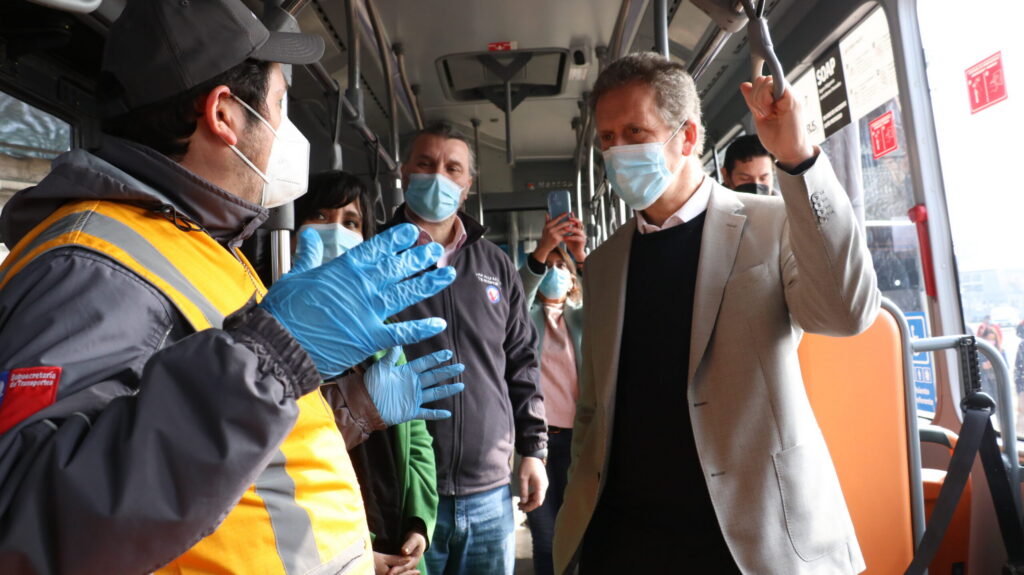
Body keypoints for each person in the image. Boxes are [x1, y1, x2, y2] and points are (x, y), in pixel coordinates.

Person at [0, 3, 463, 573]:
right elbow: (28, 519)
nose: (287, 133)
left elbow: (239, 460)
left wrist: (354, 408)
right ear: (223, 114)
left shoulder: (197, 243)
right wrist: (275, 353)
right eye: (280, 107)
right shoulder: (89, 268)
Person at [553, 52, 880, 574]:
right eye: (608, 139)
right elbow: (594, 407)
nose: (618, 151)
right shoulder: (608, 262)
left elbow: (846, 313)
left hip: (754, 534)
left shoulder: (772, 224)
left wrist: (797, 158)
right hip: (626, 540)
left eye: (635, 132)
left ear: (686, 137)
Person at [381, 121, 549, 575]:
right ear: (404, 172)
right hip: (408, 490)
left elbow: (521, 360)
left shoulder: (495, 263)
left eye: (452, 168)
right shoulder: (375, 257)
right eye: (426, 164)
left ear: (467, 184)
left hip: (490, 491)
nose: (438, 176)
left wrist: (534, 450)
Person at [296, 170, 443, 575]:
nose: (335, 232)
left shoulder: (381, 330)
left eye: (350, 222)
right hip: (330, 553)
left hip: (394, 539)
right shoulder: (271, 323)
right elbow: (285, 461)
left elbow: (415, 437)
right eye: (320, 216)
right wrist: (357, 557)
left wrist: (418, 524)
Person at [518, 213, 586, 575]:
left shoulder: (582, 318)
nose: (555, 272)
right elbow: (516, 296)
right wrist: (542, 251)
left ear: (573, 278)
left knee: (580, 535)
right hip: (538, 444)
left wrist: (582, 256)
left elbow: (607, 301)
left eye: (562, 267)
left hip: (579, 442)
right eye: (549, 266)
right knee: (546, 539)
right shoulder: (524, 319)